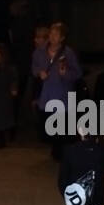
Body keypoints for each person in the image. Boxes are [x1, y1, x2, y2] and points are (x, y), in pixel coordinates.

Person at [31, 20, 82, 160]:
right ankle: (55, 147)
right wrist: (39, 72)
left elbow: (77, 74)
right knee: (49, 125)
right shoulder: (39, 52)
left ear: (62, 38)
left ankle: (62, 150)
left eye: (56, 34)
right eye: (51, 34)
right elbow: (34, 67)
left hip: (62, 95)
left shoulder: (68, 53)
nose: (52, 37)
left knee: (63, 127)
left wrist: (65, 73)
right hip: (46, 95)